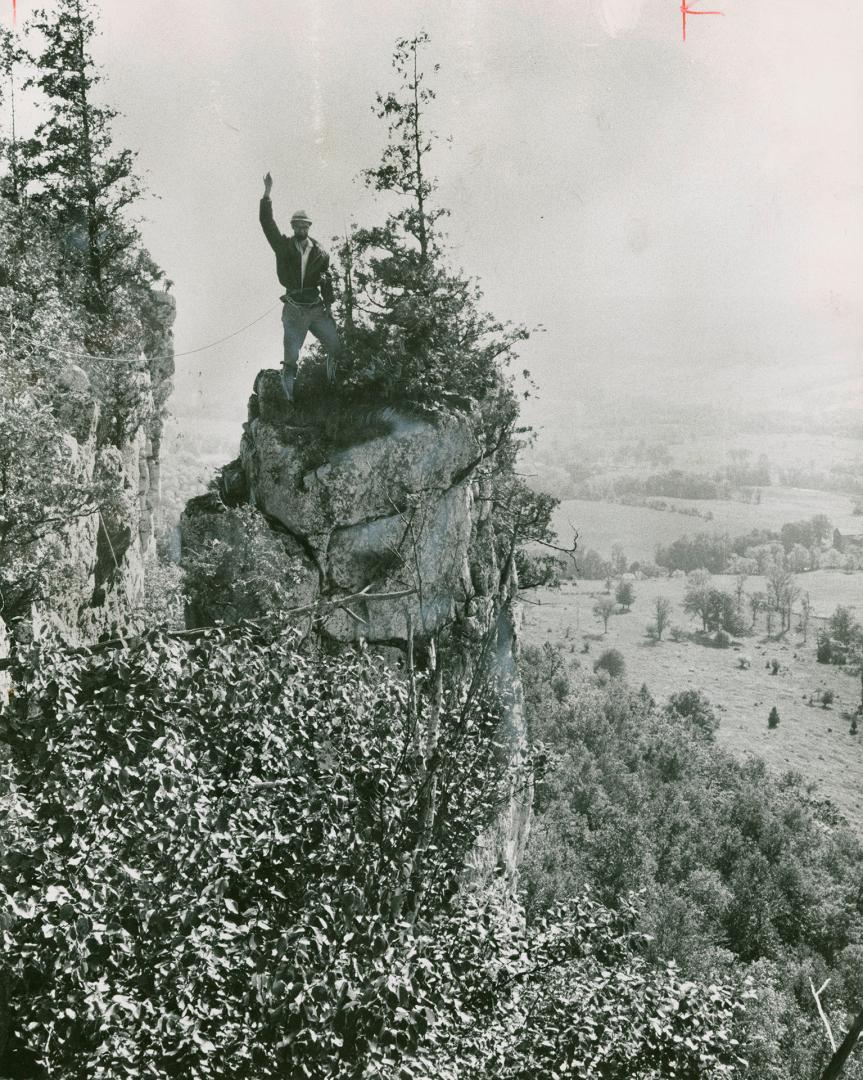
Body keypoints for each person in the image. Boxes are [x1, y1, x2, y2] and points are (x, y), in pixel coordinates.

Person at [259, 171, 340, 401]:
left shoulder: (321, 253)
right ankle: (289, 398)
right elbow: (267, 223)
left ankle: (332, 385)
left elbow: (327, 280)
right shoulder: (283, 246)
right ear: (293, 227)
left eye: (305, 226)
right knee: (291, 357)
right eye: (297, 226)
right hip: (294, 308)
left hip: (315, 307)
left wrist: (330, 305)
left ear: (309, 227)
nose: (301, 229)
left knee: (335, 346)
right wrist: (267, 193)